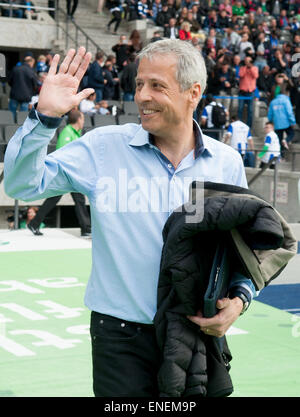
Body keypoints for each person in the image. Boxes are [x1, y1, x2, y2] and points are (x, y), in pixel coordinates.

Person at [4, 41, 258, 397]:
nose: (142, 96)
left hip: (195, 335)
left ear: (193, 92)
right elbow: (22, 184)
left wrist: (240, 299)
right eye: (139, 84)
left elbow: (245, 245)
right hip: (120, 338)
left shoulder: (226, 163)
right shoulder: (103, 147)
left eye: (157, 85)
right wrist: (44, 118)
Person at [26, 110, 92, 237]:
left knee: (68, 199)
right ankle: (86, 229)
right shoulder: (67, 132)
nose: (83, 121)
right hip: (65, 173)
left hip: (71, 173)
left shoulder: (76, 134)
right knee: (76, 200)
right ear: (78, 120)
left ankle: (34, 223)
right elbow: (63, 154)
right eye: (82, 118)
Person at [8, 53, 39, 120]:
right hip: (26, 96)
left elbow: (9, 82)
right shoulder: (32, 71)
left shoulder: (15, 69)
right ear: (31, 62)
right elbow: (35, 85)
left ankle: (10, 128)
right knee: (23, 117)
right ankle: (21, 129)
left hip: (14, 95)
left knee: (11, 115)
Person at [267, 88, 296, 155]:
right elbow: (289, 112)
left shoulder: (273, 102)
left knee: (279, 141)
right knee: (291, 133)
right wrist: (293, 122)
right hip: (286, 123)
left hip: (276, 124)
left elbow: (270, 114)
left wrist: (271, 122)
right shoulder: (286, 101)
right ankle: (286, 140)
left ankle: (280, 156)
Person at [238, 56, 259, 128]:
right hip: (242, 91)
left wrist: (251, 68)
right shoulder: (242, 68)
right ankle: (238, 124)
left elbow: (255, 76)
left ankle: (249, 126)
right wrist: (246, 68)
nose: (248, 62)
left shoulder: (255, 68)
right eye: (246, 61)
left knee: (250, 110)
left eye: (249, 61)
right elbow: (241, 75)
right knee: (240, 109)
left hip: (251, 92)